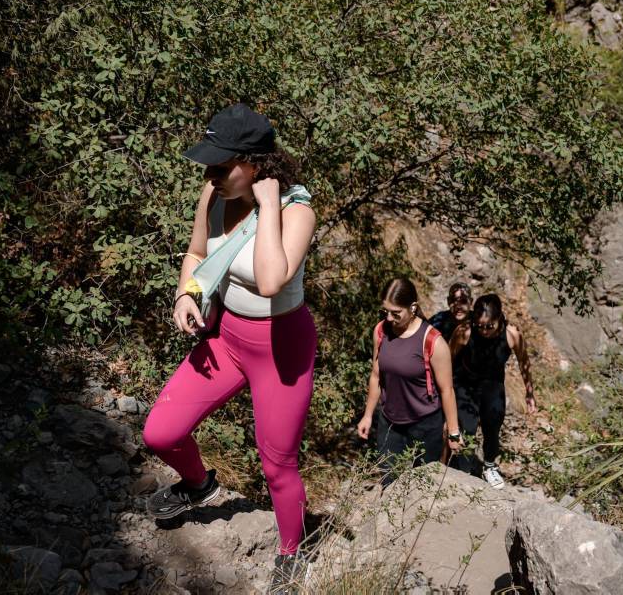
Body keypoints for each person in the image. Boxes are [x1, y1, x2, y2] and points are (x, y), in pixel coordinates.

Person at [141, 103, 317, 592]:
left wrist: (266, 208)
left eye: (221, 166)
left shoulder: (296, 211)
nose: (210, 174)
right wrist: (186, 292)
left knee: (277, 462)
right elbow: (196, 253)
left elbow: (268, 281)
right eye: (208, 166)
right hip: (228, 338)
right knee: (159, 433)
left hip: (282, 346)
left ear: (256, 166)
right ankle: (199, 486)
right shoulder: (213, 194)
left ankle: (292, 550)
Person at [356, 278, 463, 485]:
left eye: (396, 313)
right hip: (389, 423)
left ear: (413, 307)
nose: (389, 318)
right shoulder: (380, 331)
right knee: (389, 483)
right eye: (385, 311)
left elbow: (447, 390)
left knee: (422, 487)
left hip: (424, 425)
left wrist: (453, 431)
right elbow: (376, 375)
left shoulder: (432, 340)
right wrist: (368, 416)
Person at [447, 294, 537, 489]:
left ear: (500, 319)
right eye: (480, 326)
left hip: (493, 384)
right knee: (467, 428)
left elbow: (524, 363)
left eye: (490, 326)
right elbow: (447, 359)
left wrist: (529, 393)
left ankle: (489, 466)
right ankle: (463, 471)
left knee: (493, 425)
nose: (485, 330)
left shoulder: (512, 334)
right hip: (465, 384)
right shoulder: (465, 332)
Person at [429, 282, 473, 349]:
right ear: (448, 301)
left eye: (463, 301)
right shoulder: (438, 321)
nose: (458, 306)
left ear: (471, 302)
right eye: (453, 300)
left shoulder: (478, 322)